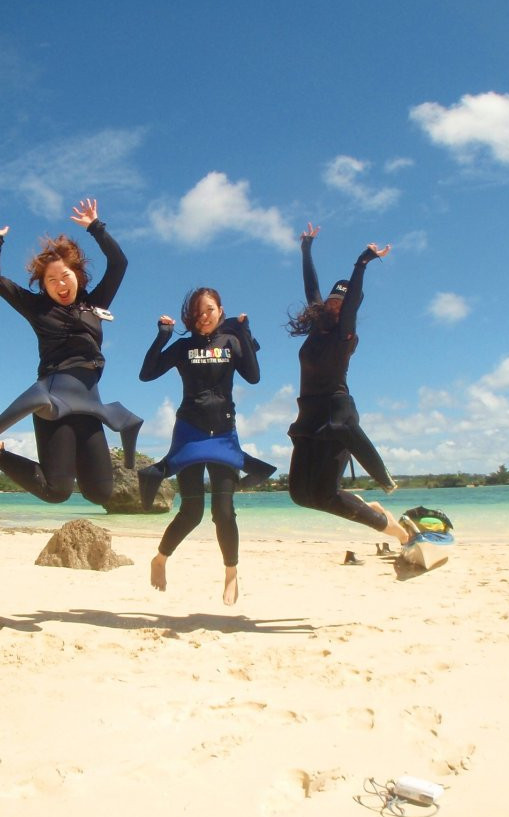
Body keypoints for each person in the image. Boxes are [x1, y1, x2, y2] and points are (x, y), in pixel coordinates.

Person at [0, 199, 142, 504]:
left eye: (65, 276)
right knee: (57, 490)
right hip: (53, 401)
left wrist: (95, 227)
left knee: (102, 492)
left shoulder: (95, 303)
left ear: (77, 274)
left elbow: (120, 264)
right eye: (51, 280)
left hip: (90, 402)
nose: (60, 284)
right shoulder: (38, 309)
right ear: (44, 286)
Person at [138, 287, 275, 605]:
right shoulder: (183, 347)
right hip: (189, 432)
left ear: (220, 310)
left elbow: (253, 377)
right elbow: (147, 374)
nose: (204, 317)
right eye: (198, 312)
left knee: (223, 512)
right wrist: (162, 337)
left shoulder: (232, 343)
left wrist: (245, 332)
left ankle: (231, 573)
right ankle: (160, 558)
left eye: (209, 310)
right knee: (191, 512)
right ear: (191, 316)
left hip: (224, 434)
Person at [286, 222, 400, 547]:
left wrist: (361, 263)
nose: (336, 305)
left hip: (336, 417)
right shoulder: (317, 329)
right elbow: (311, 287)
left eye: (343, 302)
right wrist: (306, 248)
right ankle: (372, 511)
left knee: (325, 494)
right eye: (333, 301)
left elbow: (349, 306)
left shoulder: (344, 334)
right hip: (308, 416)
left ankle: (388, 525)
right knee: (299, 495)